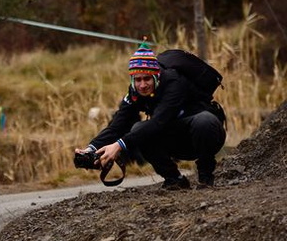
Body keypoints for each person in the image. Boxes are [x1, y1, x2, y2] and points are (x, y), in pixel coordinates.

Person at [75, 45, 226, 189]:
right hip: (174, 141)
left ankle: (206, 177)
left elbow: (158, 122)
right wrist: (91, 148)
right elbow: (117, 125)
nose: (142, 85)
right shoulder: (135, 91)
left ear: (157, 76)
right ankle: (175, 180)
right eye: (137, 80)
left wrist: (118, 145)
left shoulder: (174, 83)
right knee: (138, 129)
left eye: (147, 79)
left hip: (204, 135)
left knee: (205, 120)